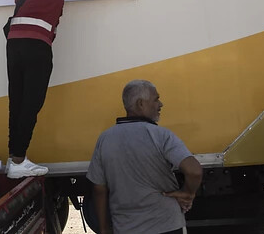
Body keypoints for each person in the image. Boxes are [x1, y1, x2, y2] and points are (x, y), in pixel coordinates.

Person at [6, 0, 135, 178]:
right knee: (31, 103)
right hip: (37, 45)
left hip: (14, 42)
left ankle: (14, 157)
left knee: (17, 99)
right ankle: (18, 161)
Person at [86, 80, 203, 234]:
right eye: (156, 99)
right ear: (141, 104)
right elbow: (194, 171)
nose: (160, 104)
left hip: (126, 227)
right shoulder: (161, 135)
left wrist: (103, 229)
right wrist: (188, 193)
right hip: (167, 225)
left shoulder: (105, 139)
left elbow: (99, 189)